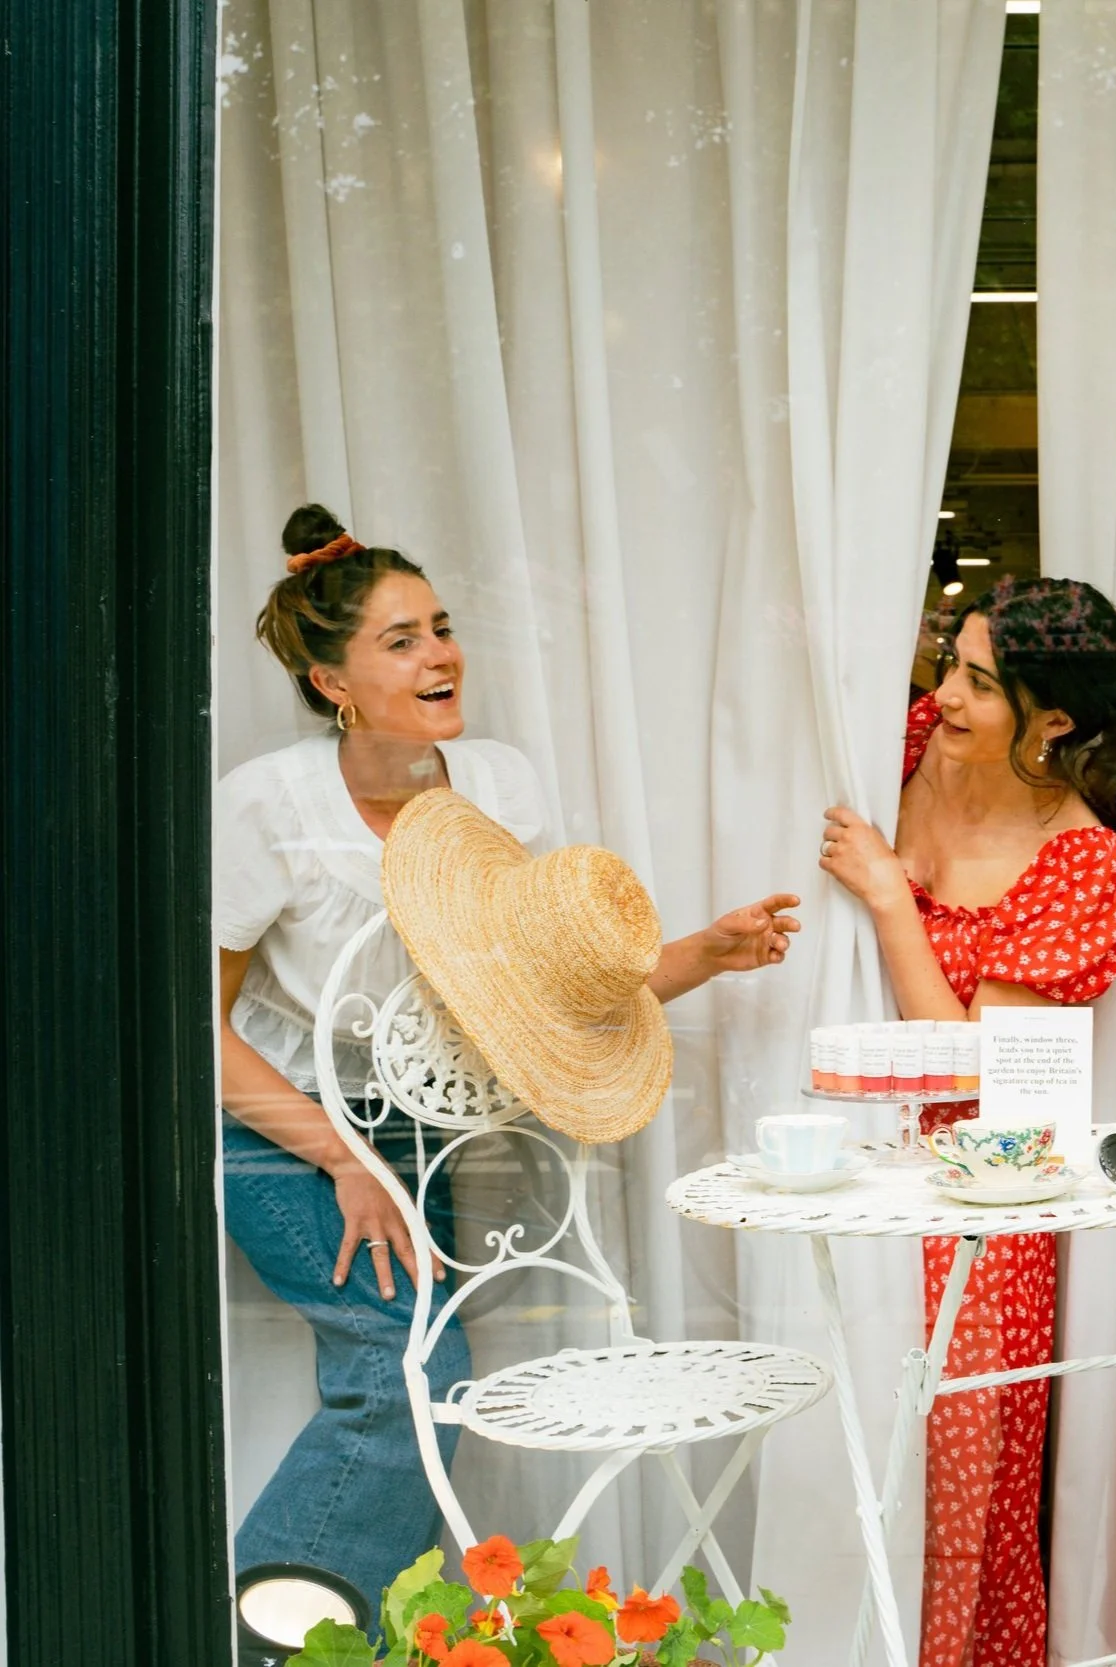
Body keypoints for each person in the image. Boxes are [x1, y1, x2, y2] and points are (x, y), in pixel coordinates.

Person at [216, 504, 804, 1604]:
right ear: (330, 678)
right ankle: (264, 1626)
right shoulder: (267, 807)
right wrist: (342, 1159)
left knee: (412, 1385)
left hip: (424, 1133)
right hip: (280, 1124)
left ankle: (361, 1632)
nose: (440, 653)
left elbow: (535, 994)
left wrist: (704, 954)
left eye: (439, 626)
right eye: (400, 640)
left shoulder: (494, 784)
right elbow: (192, 1026)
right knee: (409, 1377)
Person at [818, 576, 1116, 1667]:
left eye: (979, 683)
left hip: (977, 1194)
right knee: (844, 1451)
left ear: (1057, 721)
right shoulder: (903, 742)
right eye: (949, 662)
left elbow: (981, 1065)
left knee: (953, 1468)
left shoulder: (1090, 867)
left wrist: (892, 897)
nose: (942, 695)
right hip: (855, 1159)